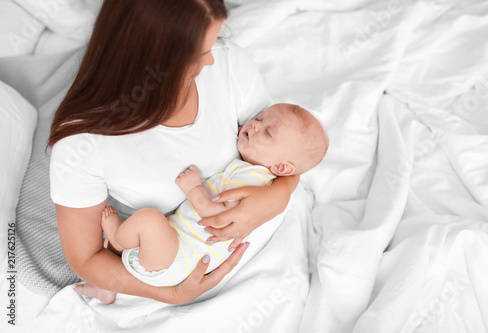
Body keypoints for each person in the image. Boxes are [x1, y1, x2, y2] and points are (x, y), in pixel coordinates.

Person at [47, 0, 301, 305]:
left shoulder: (228, 64)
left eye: (215, 42)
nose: (211, 61)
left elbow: (286, 150)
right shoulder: (83, 144)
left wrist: (278, 196)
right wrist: (173, 295)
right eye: (199, 54)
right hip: (173, 264)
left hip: (265, 252)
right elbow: (86, 259)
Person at [88, 103, 329, 303]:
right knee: (149, 229)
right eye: (258, 117)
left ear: (282, 168)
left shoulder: (254, 180)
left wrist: (194, 188)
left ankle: (117, 237)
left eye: (267, 132)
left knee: (149, 220)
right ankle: (107, 290)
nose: (254, 124)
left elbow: (217, 216)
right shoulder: (257, 173)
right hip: (174, 251)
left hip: (176, 260)